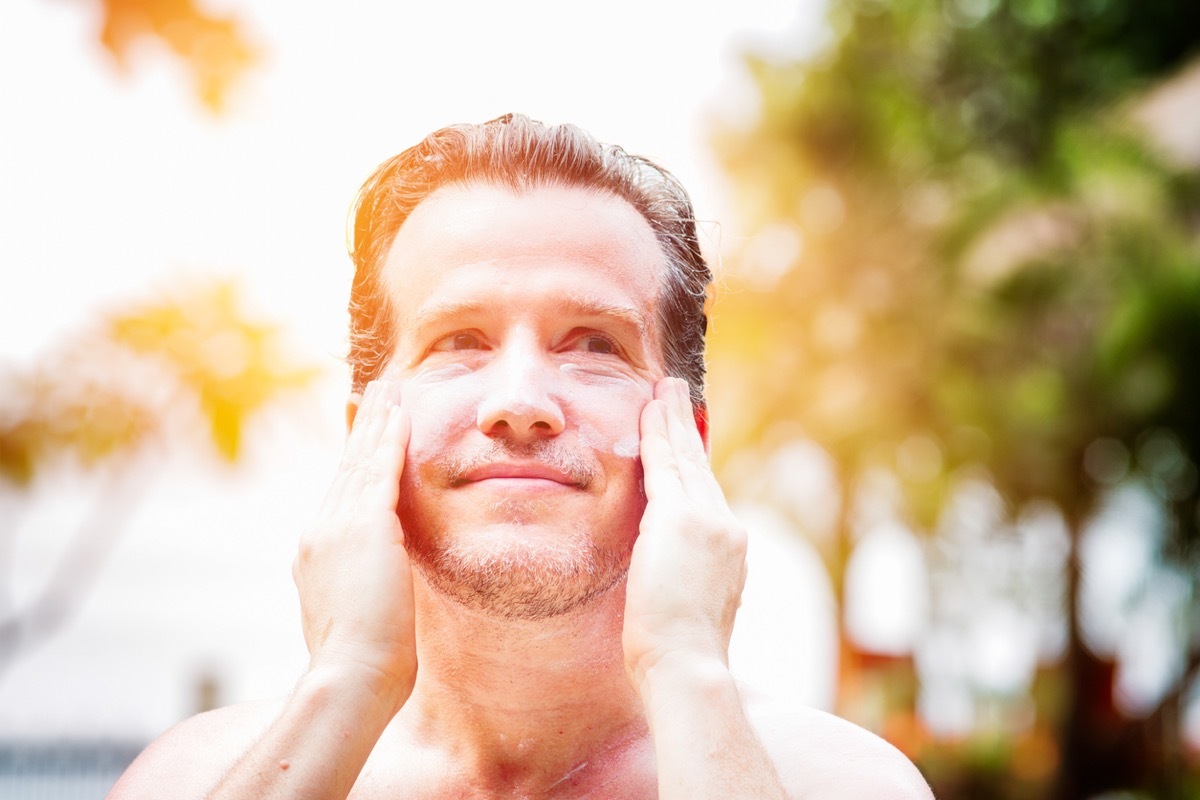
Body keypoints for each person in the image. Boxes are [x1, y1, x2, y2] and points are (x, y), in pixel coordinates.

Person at [109, 114, 933, 799]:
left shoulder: (844, 786)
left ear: (688, 437)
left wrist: (686, 669)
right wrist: (349, 678)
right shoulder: (188, 782)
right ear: (365, 433)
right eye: (457, 340)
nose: (520, 402)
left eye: (595, 344)